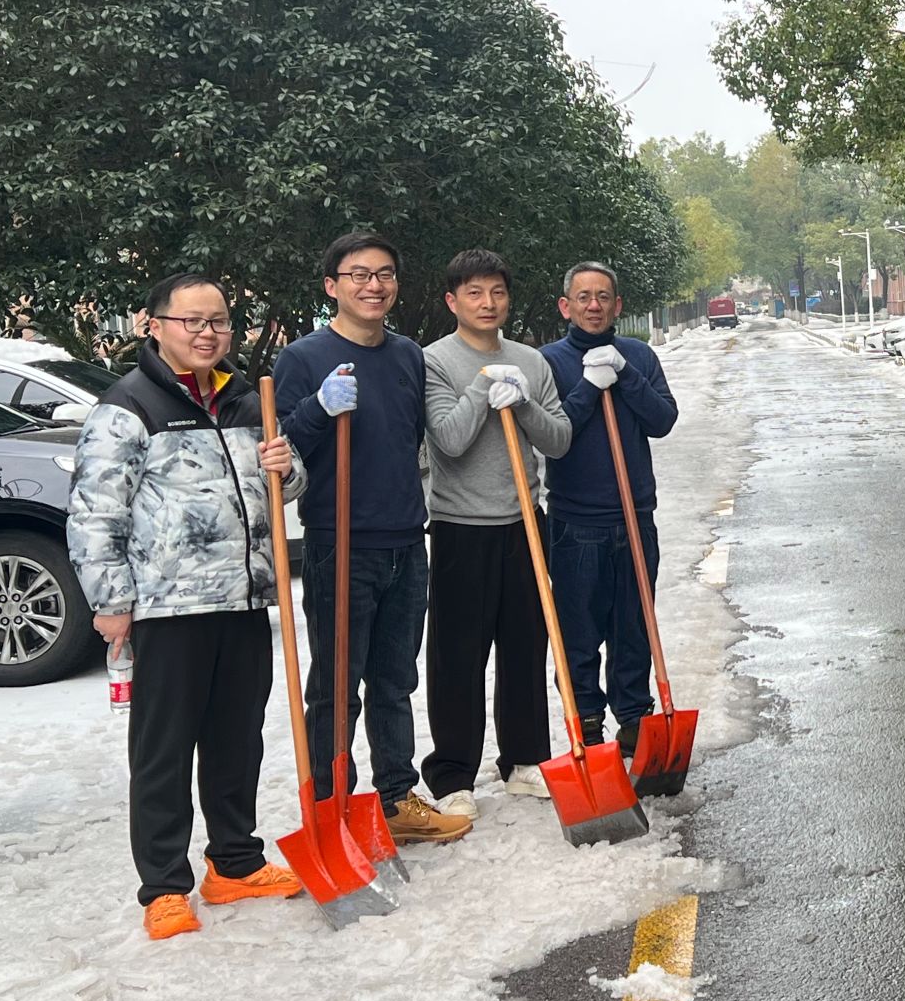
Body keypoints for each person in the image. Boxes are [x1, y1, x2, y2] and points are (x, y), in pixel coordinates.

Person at [67, 273, 306, 939]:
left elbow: (284, 488)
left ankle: (234, 862)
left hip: (243, 598)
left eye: (219, 321)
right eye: (192, 321)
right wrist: (110, 600)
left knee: (237, 741)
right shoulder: (129, 406)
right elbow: (95, 512)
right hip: (167, 607)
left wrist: (287, 468)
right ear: (156, 326)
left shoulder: (246, 399)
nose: (208, 333)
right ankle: (164, 886)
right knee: (163, 750)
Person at [275, 232, 471, 845]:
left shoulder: (408, 355)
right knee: (336, 686)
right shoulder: (303, 359)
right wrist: (318, 408)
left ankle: (395, 797)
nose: (373, 285)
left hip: (407, 541)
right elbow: (282, 456)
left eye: (384, 274)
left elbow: (410, 440)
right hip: (340, 543)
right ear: (332, 286)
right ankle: (331, 808)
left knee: (395, 680)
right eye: (358, 274)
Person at [420, 249, 574, 814]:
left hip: (524, 522)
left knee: (525, 646)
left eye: (497, 292)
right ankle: (453, 775)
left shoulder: (530, 360)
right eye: (474, 293)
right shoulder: (434, 361)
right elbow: (449, 441)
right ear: (452, 300)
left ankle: (526, 759)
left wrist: (525, 404)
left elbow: (559, 440)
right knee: (457, 656)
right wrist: (483, 388)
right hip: (461, 527)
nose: (488, 303)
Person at [538, 262, 679, 751]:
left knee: (634, 629)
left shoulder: (638, 356)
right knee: (578, 634)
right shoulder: (549, 362)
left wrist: (624, 375)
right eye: (583, 297)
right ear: (566, 306)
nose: (593, 305)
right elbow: (553, 436)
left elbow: (662, 420)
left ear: (617, 306)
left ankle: (634, 718)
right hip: (576, 525)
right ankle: (587, 725)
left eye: (603, 297)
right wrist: (588, 386)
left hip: (635, 517)